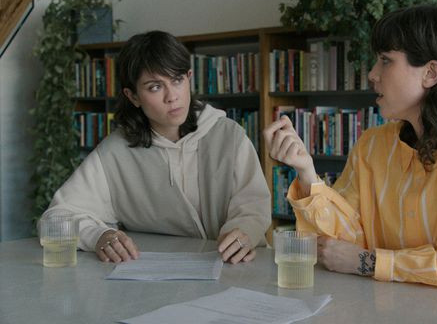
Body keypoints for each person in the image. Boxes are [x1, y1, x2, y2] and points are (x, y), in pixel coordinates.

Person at [263, 5, 437, 288]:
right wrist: (306, 172)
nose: (372, 74)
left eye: (386, 60)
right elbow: (337, 246)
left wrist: (369, 262)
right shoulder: (372, 145)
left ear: (430, 73)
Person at [41, 30, 271, 264]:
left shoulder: (230, 136)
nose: (172, 96)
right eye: (154, 87)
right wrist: (99, 235)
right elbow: (55, 219)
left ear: (189, 77)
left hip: (234, 270)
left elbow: (253, 207)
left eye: (177, 80)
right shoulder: (115, 152)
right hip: (150, 283)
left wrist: (244, 231)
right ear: (133, 96)